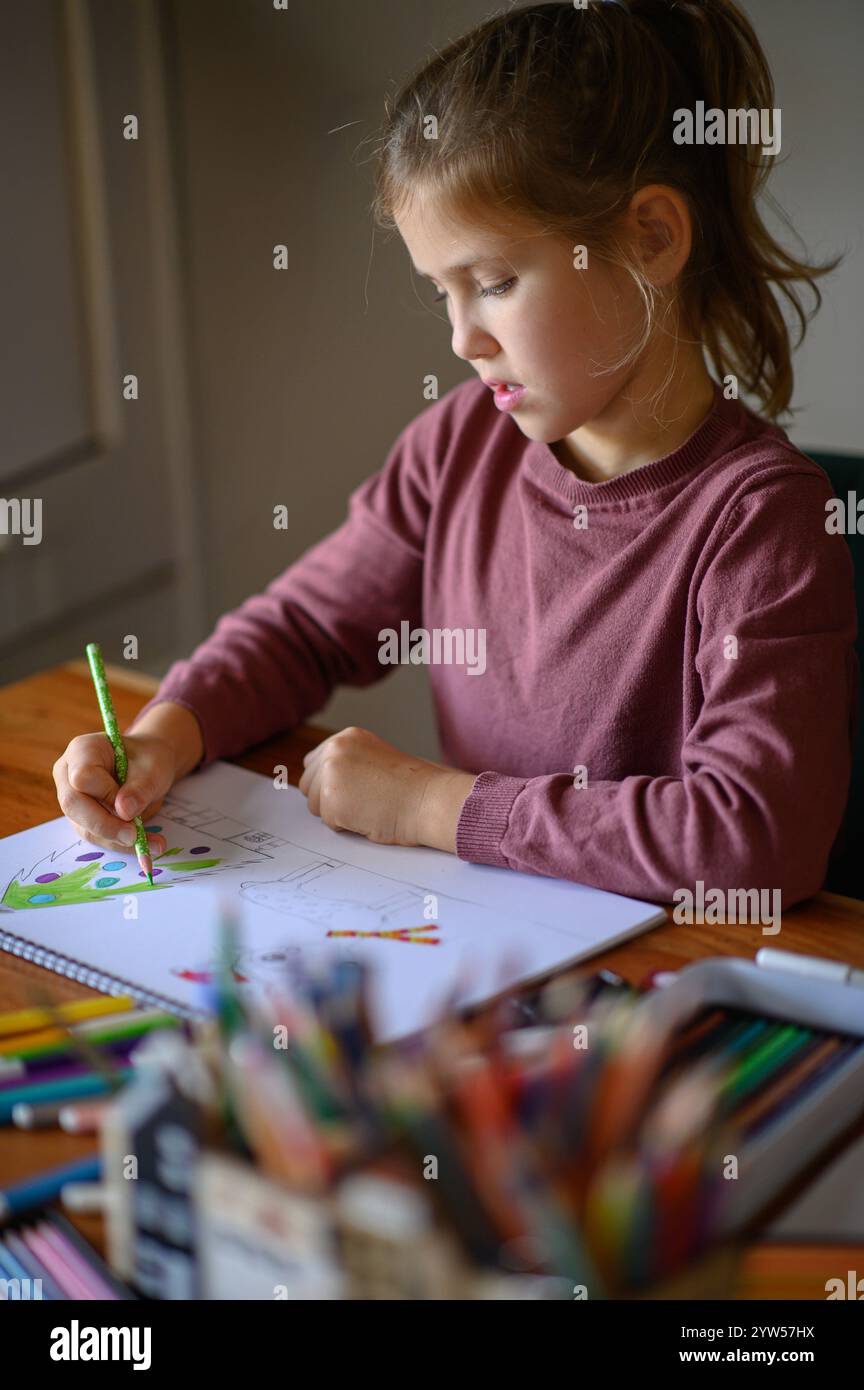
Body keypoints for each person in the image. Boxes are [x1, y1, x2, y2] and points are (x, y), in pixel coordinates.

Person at [53, 1, 857, 907]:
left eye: (496, 283)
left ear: (651, 239)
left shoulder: (764, 522)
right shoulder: (459, 445)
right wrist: (168, 732)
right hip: (489, 948)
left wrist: (437, 806)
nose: (462, 340)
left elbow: (754, 843)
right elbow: (304, 630)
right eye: (442, 292)